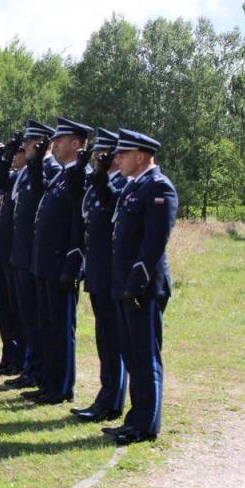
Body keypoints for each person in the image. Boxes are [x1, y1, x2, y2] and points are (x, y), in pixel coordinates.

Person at [96, 128, 178, 445]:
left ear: (140, 156)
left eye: (123, 153)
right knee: (132, 355)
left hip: (143, 287)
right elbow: (109, 211)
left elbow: (154, 242)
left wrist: (136, 282)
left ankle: (146, 424)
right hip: (125, 284)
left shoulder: (159, 187)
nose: (118, 158)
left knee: (145, 356)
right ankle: (135, 419)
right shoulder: (133, 187)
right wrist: (100, 175)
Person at [24, 118, 92, 405]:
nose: (54, 144)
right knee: (47, 326)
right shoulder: (62, 175)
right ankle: (48, 382)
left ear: (76, 143)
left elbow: (80, 225)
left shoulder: (82, 176)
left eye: (60, 140)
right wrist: (35, 162)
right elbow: (38, 194)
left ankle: (63, 387)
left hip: (61, 265)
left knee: (61, 329)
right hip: (45, 263)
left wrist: (72, 265)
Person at [70, 129, 130, 422]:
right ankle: (106, 397)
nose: (96, 159)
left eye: (101, 154)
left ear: (115, 157)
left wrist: (101, 177)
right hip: (97, 271)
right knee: (104, 339)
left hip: (110, 273)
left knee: (113, 340)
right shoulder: (100, 183)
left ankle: (111, 401)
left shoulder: (120, 185)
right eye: (96, 155)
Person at [11, 120, 60, 391]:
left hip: (36, 256)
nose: (27, 147)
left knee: (39, 320)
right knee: (28, 317)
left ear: (43, 144)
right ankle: (30, 368)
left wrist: (37, 162)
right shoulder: (31, 170)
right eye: (27, 143)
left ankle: (38, 370)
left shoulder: (51, 169)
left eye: (31, 143)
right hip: (24, 254)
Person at [0, 132, 24, 376]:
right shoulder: (13, 177)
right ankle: (9, 357)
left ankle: (19, 360)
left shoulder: (30, 176)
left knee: (17, 311)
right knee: (5, 309)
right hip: (3, 251)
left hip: (15, 252)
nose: (14, 157)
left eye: (17, 152)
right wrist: (3, 157)